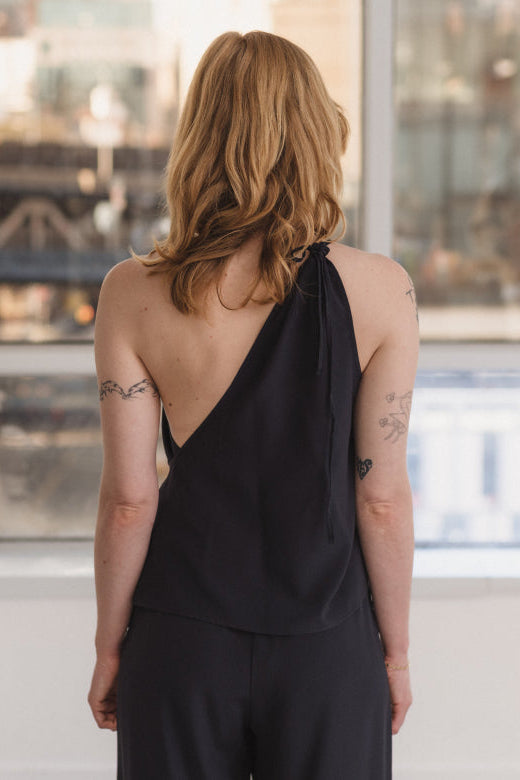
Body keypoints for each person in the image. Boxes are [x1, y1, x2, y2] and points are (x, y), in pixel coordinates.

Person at [87, 29, 418, 779]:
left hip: (180, 644)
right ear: (316, 133)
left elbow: (130, 501)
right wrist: (395, 655)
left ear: (198, 139)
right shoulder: (382, 289)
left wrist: (110, 647)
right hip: (328, 647)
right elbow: (381, 499)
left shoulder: (132, 293)